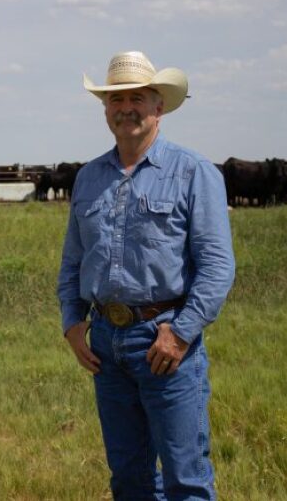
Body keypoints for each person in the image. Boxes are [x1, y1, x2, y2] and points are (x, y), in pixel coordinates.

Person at [57, 51, 236, 500]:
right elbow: (73, 261)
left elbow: (217, 266)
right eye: (115, 100)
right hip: (106, 345)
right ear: (105, 110)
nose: (126, 108)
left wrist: (180, 333)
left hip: (165, 341)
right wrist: (72, 324)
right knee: (129, 478)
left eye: (137, 98)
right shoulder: (89, 178)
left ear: (159, 106)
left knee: (186, 478)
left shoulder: (194, 172)